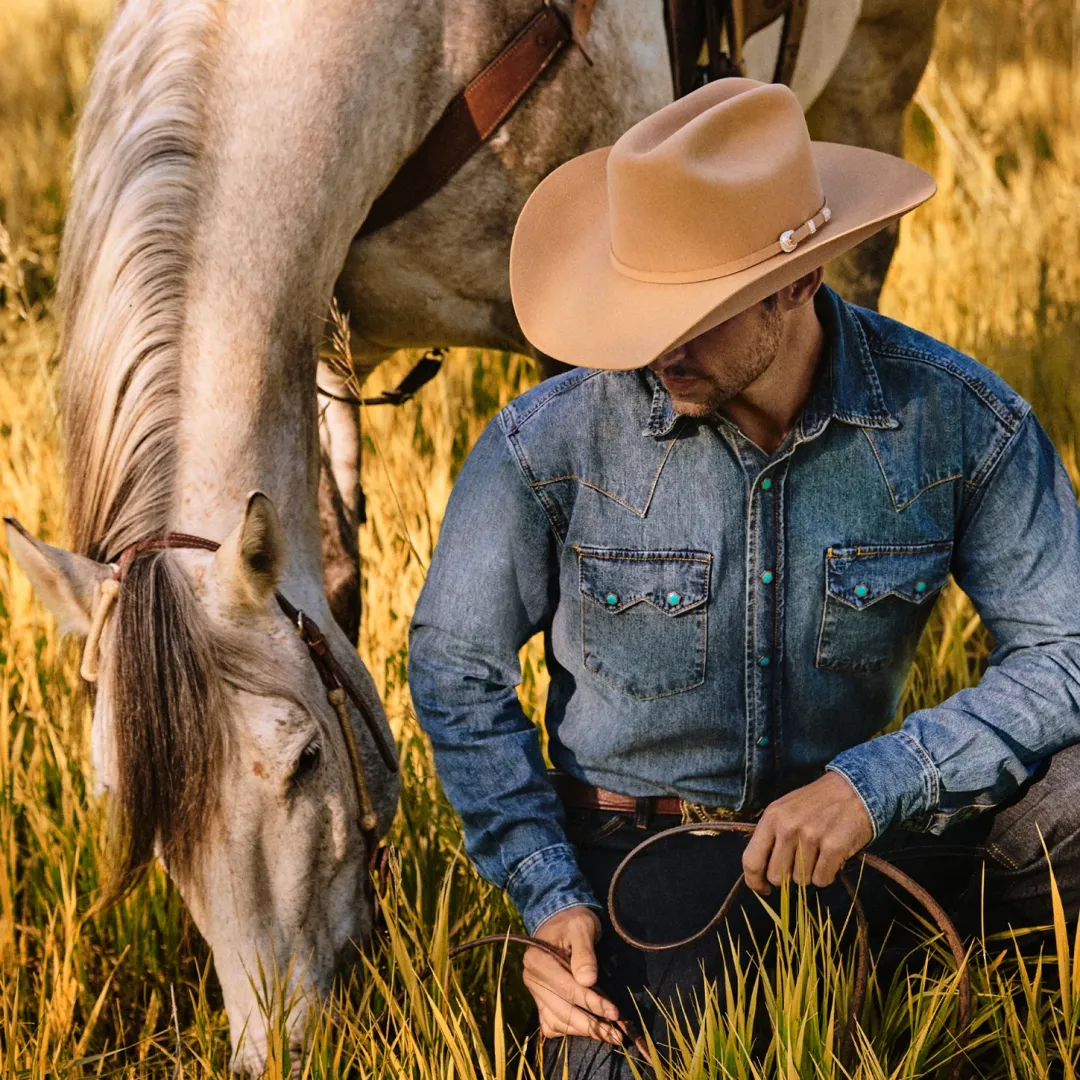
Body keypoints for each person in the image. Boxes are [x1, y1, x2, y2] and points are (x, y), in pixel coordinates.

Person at [407, 78, 1080, 1076]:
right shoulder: (549, 446)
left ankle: (884, 965)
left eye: (699, 312)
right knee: (619, 1061)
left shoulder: (957, 423)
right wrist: (549, 897)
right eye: (646, 307)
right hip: (649, 862)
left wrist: (875, 783)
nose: (660, 346)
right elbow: (455, 671)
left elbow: (1066, 647)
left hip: (879, 836)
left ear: (797, 281)